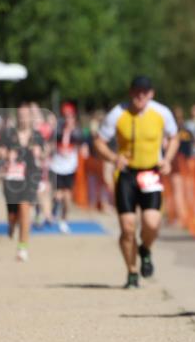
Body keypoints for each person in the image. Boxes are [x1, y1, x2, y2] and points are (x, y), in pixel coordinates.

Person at [94, 76, 179, 288]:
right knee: (128, 228)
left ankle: (146, 249)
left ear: (151, 94)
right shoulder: (118, 113)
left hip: (151, 172)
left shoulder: (161, 112)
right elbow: (99, 141)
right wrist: (114, 158)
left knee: (151, 223)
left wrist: (167, 160)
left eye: (145, 92)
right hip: (127, 175)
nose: (140, 96)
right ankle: (132, 271)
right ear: (130, 92)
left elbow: (175, 137)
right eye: (136, 91)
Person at [0, 104, 46, 262]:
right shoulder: (8, 133)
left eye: (26, 115)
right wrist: (5, 153)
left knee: (25, 208)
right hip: (12, 178)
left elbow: (45, 154)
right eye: (20, 115)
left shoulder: (37, 135)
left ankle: (22, 248)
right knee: (13, 214)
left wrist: (40, 153)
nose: (23, 118)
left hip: (31, 176)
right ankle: (11, 224)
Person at [50, 102, 87, 233]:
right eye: (66, 116)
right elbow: (50, 145)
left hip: (70, 168)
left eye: (70, 116)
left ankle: (64, 220)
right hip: (56, 167)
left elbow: (83, 146)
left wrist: (83, 150)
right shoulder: (57, 131)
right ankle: (54, 208)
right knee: (58, 195)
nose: (68, 119)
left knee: (67, 197)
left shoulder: (78, 132)